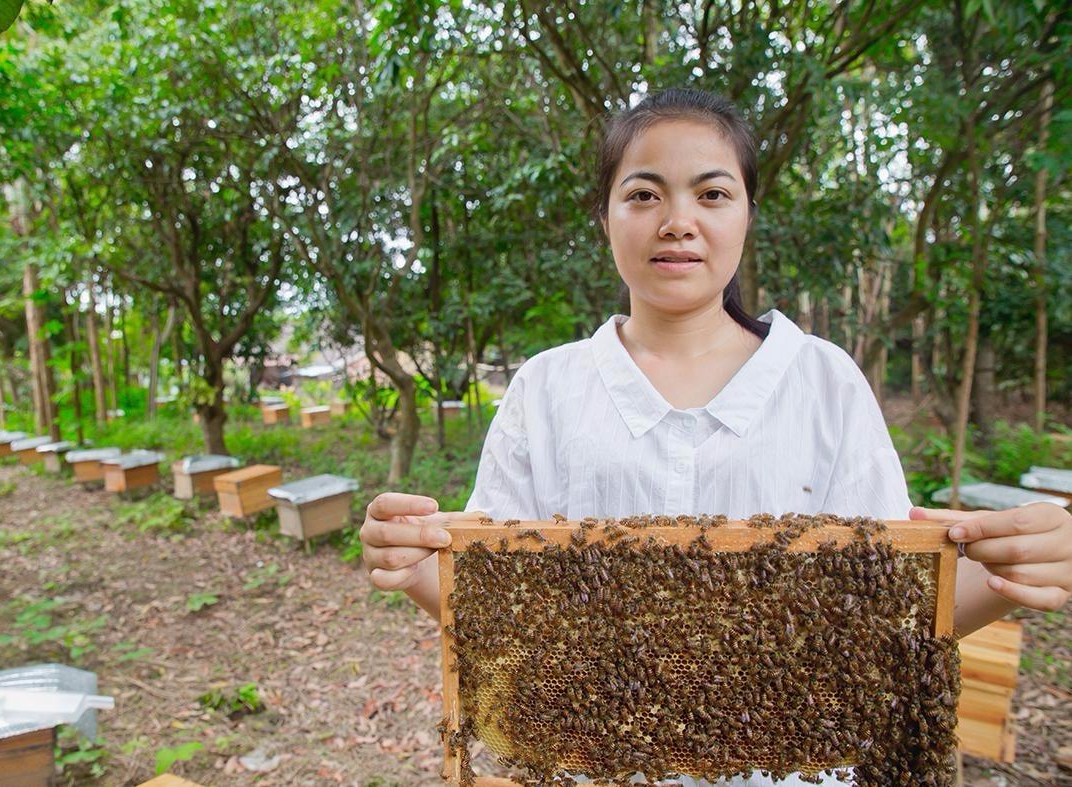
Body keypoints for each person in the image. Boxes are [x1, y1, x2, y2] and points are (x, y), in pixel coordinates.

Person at [358, 88, 1072, 785]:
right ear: (604, 217)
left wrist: (1016, 576)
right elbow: (495, 604)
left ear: (746, 216)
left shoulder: (824, 381)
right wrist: (415, 563)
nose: (677, 220)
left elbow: (890, 614)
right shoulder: (544, 390)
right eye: (643, 194)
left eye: (712, 193)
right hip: (589, 770)